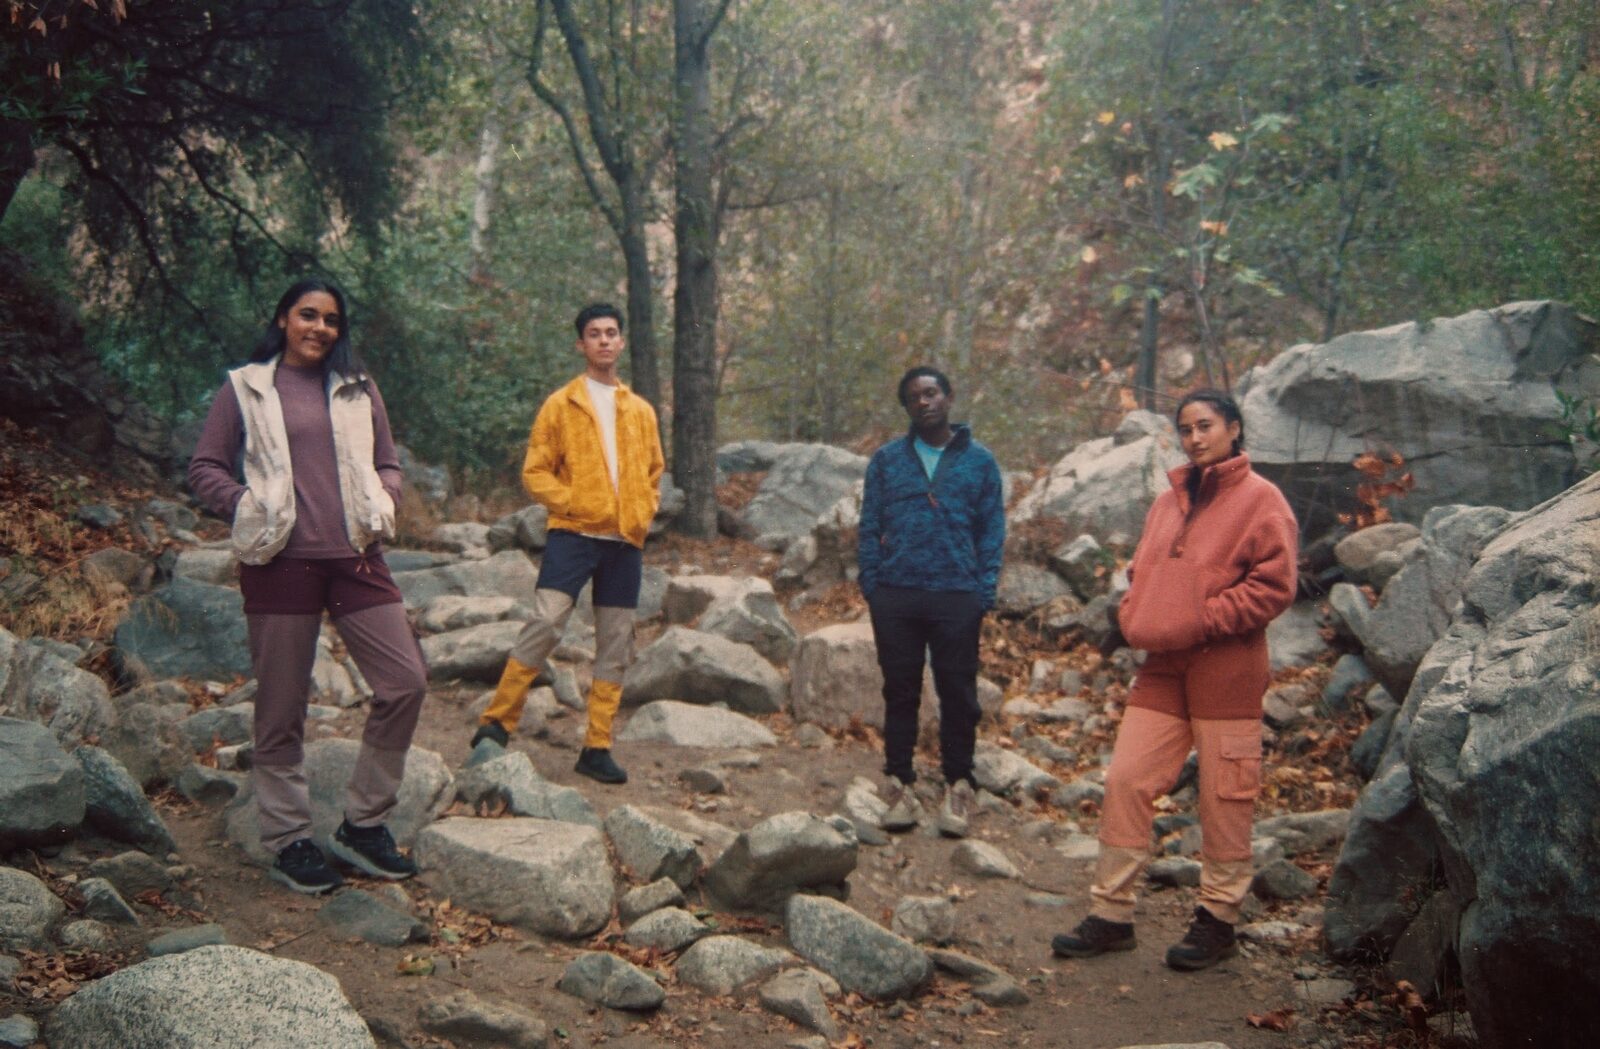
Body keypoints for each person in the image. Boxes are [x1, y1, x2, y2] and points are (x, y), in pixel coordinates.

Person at [188, 279, 428, 895]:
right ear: (283, 319)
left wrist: (387, 495)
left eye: (331, 320)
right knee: (282, 706)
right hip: (279, 560)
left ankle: (363, 825)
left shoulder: (357, 387)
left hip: (356, 556)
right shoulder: (246, 387)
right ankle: (289, 837)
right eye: (307, 315)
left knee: (405, 682)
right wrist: (245, 503)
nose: (319, 328)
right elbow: (204, 467)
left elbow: (388, 460)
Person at [1052, 389, 1298, 971]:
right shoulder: (1167, 502)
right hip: (1163, 667)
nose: (1194, 438)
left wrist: (1202, 619)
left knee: (1223, 795)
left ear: (1234, 428)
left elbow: (1274, 586)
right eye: (1185, 429)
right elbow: (1142, 573)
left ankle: (1218, 921)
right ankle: (1111, 916)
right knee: (1127, 780)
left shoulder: (1264, 500)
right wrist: (1133, 616)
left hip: (1228, 665)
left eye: (1206, 425)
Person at [469, 303, 664, 785]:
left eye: (611, 333)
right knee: (547, 619)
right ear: (581, 345)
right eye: (594, 334)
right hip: (573, 536)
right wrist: (574, 501)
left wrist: (642, 510)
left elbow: (654, 472)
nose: (603, 340)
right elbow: (534, 471)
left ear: (621, 343)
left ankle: (597, 745)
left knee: (616, 642)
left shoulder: (640, 411)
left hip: (624, 542)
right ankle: (496, 722)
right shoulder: (562, 403)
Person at [857, 366, 1005, 838]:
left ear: (948, 396)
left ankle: (958, 782)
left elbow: (992, 531)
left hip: (957, 595)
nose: (924, 402)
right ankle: (899, 781)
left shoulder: (980, 462)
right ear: (906, 408)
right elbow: (868, 525)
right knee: (899, 690)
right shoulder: (886, 460)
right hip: (897, 594)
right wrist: (873, 586)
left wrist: (982, 592)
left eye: (931, 392)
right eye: (914, 398)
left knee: (958, 693)